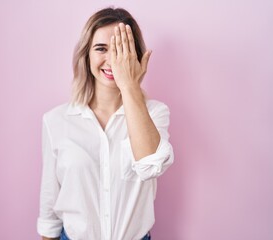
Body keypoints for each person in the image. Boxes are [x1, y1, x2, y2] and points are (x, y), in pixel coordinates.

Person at [37, 7, 174, 240]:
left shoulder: (156, 113)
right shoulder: (55, 121)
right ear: (86, 54)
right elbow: (50, 206)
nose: (113, 60)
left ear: (135, 57)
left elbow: (151, 165)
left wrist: (129, 85)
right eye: (101, 49)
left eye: (122, 50)